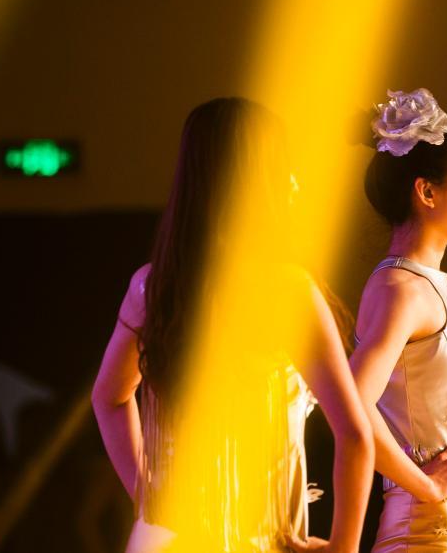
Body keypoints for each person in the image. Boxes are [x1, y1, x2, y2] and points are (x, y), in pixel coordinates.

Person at [91, 98, 374, 552]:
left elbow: (109, 397)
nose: (295, 181)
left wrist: (151, 504)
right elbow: (355, 435)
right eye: (284, 165)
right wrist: (343, 548)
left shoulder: (153, 286)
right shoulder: (286, 290)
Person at [348, 88, 447, 552]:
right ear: (427, 191)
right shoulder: (399, 289)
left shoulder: (435, 289)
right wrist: (424, 484)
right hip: (423, 535)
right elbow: (351, 405)